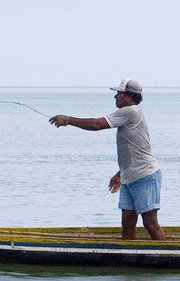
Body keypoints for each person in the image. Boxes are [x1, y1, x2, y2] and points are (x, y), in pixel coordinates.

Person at [49, 78, 166, 240]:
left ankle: (163, 253)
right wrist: (120, 173)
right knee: (127, 221)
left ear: (129, 96)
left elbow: (97, 124)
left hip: (145, 176)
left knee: (150, 222)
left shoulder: (131, 111)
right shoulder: (128, 113)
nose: (115, 97)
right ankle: (127, 257)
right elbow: (133, 150)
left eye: (118, 94)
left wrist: (68, 120)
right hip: (129, 176)